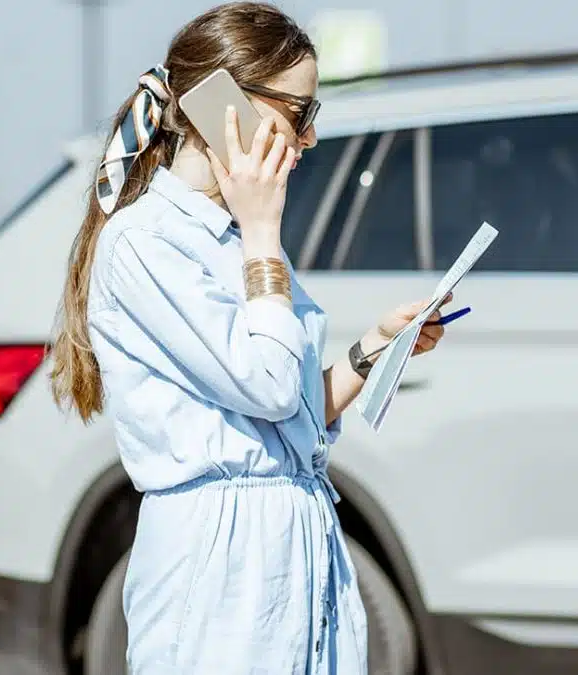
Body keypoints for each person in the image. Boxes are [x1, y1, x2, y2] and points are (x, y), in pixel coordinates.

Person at [49, 3, 451, 673]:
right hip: (220, 567)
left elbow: (293, 413)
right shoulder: (146, 243)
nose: (310, 137)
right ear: (224, 106)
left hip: (298, 545)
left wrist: (374, 348)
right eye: (299, 112)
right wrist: (263, 231)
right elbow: (266, 386)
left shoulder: (242, 236)